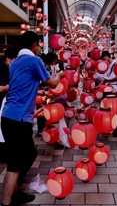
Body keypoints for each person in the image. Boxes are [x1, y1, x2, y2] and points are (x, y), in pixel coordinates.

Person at [1, 31, 64, 206]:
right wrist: (59, 75)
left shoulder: (15, 63)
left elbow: (22, 86)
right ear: (34, 45)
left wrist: (39, 92)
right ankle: (6, 201)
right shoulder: (34, 60)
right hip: (19, 119)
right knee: (15, 164)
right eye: (38, 45)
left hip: (8, 116)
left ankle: (16, 190)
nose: (39, 48)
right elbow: (52, 83)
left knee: (28, 153)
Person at [0, 47, 19, 162]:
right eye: (15, 60)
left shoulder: (12, 69)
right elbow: (2, 88)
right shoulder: (2, 69)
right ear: (8, 59)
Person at [100, 51, 117, 137]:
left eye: (103, 59)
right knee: (107, 110)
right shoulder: (106, 66)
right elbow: (104, 78)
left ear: (106, 56)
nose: (103, 61)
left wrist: (109, 81)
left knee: (116, 110)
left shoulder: (116, 64)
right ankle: (110, 127)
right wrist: (98, 87)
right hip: (108, 90)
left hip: (116, 90)